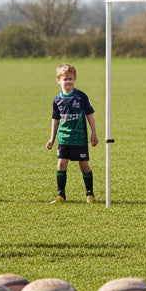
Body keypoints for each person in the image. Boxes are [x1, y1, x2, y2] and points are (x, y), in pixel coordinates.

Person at [45, 62, 99, 203]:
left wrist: (94, 133)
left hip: (79, 138)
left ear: (75, 79)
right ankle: (61, 195)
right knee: (61, 164)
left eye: (71, 78)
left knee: (84, 165)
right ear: (58, 80)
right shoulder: (57, 100)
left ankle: (90, 194)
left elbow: (90, 115)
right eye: (65, 79)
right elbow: (55, 119)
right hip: (64, 138)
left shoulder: (81, 97)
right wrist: (52, 138)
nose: (68, 81)